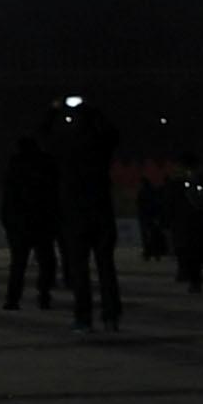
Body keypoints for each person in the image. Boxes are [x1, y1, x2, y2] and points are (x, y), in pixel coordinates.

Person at [57, 99, 123, 334]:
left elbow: (43, 136)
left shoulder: (67, 149)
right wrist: (95, 113)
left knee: (80, 270)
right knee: (106, 267)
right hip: (101, 212)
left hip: (76, 215)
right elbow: (113, 134)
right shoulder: (99, 148)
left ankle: (84, 317)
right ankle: (111, 314)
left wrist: (54, 110)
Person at [0, 133, 60, 310]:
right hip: (42, 221)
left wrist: (8, 220)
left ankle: (13, 298)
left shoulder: (15, 166)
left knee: (18, 263)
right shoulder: (46, 164)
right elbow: (54, 194)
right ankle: (44, 294)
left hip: (21, 223)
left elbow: (8, 197)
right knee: (46, 261)